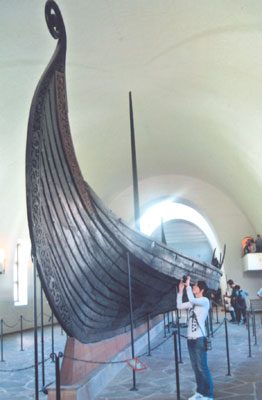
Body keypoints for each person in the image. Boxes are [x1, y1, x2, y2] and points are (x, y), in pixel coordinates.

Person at [177, 276, 213, 400]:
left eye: (195, 285)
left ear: (201, 289)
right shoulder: (193, 302)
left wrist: (187, 286)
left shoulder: (204, 301)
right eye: (193, 285)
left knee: (202, 367)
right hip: (190, 339)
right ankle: (200, 392)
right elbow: (179, 306)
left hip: (199, 339)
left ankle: (208, 394)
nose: (193, 286)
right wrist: (180, 291)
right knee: (195, 367)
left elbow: (192, 299)